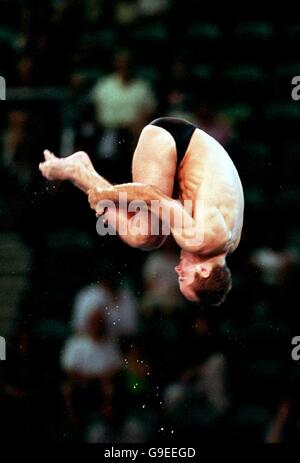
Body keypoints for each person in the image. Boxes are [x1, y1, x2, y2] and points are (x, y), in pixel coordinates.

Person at [39, 116, 244, 305]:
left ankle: (80, 171)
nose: (177, 269)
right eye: (183, 276)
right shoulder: (202, 240)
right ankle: (78, 171)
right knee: (143, 235)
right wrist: (104, 194)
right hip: (168, 140)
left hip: (185, 142)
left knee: (152, 235)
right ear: (204, 270)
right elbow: (150, 194)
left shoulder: (230, 242)